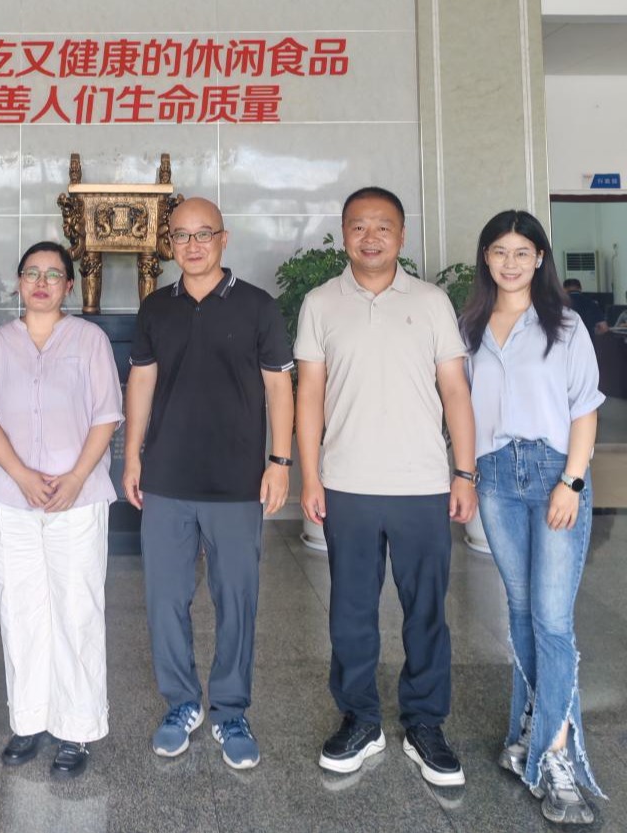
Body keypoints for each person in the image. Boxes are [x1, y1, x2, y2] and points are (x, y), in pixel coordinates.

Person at [295, 186, 476, 787]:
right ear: (343, 233)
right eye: (358, 226)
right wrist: (311, 476)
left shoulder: (431, 302)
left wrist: (464, 472)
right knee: (350, 611)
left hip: (422, 484)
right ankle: (361, 719)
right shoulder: (320, 303)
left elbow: (455, 390)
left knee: (426, 611)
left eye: (382, 227)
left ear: (401, 235)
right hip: (347, 484)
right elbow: (309, 395)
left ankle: (425, 723)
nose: (369, 237)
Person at [123, 197, 294, 770]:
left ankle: (230, 708)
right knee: (165, 599)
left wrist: (279, 461)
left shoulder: (257, 306)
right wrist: (132, 457)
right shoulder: (156, 308)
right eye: (181, 236)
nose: (192, 245)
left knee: (236, 599)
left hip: (236, 481)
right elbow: (141, 383)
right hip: (167, 478)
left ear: (224, 238)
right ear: (168, 244)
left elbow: (279, 388)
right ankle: (180, 703)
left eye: (204, 234)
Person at [463, 210, 606, 824]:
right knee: (520, 611)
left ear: (540, 258)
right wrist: (464, 474)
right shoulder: (469, 326)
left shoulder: (566, 326)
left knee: (552, 620)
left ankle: (557, 754)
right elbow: (460, 407)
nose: (511, 262)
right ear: (486, 257)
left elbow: (585, 409)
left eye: (523, 252)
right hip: (495, 476)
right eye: (500, 251)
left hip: (554, 474)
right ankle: (528, 725)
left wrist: (571, 482)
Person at [0, 241, 123, 779]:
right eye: (32, 273)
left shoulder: (89, 339)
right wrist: (21, 474)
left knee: (76, 608)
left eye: (53, 274)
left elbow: (107, 414)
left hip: (77, 498)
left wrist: (76, 477)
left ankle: (77, 727)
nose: (41, 282)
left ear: (69, 286)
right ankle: (29, 720)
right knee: (20, 607)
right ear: (19, 282)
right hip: (13, 497)